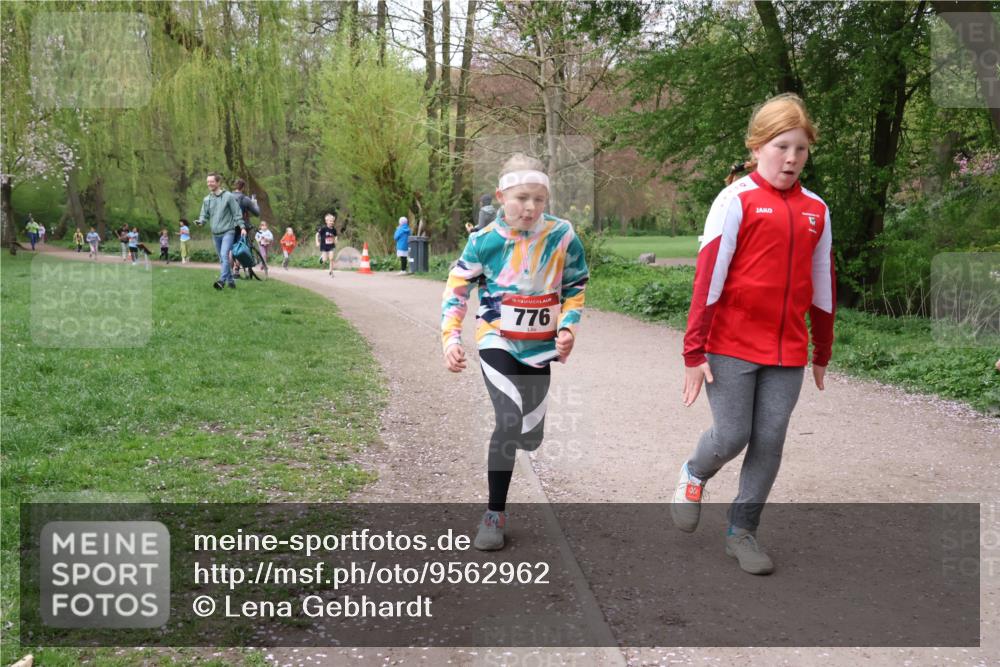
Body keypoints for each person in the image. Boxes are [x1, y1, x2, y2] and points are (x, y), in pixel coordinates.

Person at [671, 93, 836, 576]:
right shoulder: (735, 199)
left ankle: (742, 532)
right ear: (758, 146)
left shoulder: (817, 209)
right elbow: (708, 279)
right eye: (781, 146)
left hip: (787, 347)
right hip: (730, 344)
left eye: (800, 149)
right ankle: (694, 473)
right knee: (731, 435)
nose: (790, 158)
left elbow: (823, 282)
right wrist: (693, 350)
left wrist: (822, 349)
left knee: (769, 440)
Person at [441, 153, 589, 551]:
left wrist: (569, 327)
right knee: (508, 420)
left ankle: (525, 434)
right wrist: (451, 339)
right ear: (501, 196)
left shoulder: (561, 235)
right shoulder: (484, 241)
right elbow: (456, 290)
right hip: (497, 338)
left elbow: (575, 285)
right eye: (522, 197)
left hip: (540, 348)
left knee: (530, 435)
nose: (530, 207)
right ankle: (494, 514)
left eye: (540, 199)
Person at [195, 172, 246, 289]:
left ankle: (221, 281)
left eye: (212, 181)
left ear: (218, 182)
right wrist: (200, 222)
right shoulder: (207, 199)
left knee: (224, 255)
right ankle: (231, 281)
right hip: (215, 234)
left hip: (228, 231)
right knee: (222, 259)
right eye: (208, 182)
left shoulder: (228, 196)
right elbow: (204, 215)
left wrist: (242, 227)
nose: (209, 184)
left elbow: (237, 213)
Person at [231, 178, 260, 278]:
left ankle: (231, 270)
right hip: (242, 227)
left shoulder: (227, 197)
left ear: (234, 186)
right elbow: (257, 213)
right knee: (240, 247)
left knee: (230, 248)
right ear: (243, 187)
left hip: (228, 226)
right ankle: (236, 270)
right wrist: (254, 202)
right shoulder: (245, 199)